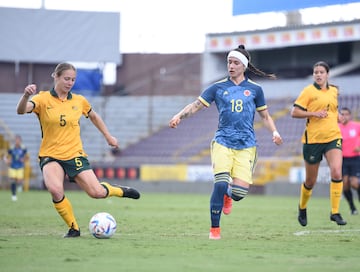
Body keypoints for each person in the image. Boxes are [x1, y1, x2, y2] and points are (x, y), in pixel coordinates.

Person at [169, 45, 283, 240]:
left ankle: (230, 195)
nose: (231, 65)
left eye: (235, 62)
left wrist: (274, 132)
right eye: (229, 62)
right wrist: (179, 115)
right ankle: (215, 229)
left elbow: (264, 115)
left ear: (244, 66)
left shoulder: (255, 89)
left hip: (247, 145)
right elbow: (196, 105)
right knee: (220, 183)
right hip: (223, 141)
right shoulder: (218, 87)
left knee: (239, 193)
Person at [16, 62, 140, 238]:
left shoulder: (79, 100)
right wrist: (25, 96)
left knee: (96, 193)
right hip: (50, 155)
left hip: (74, 154)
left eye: (73, 79)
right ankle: (74, 228)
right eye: (66, 78)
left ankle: (119, 191)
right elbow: (21, 111)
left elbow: (94, 117)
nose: (70, 83)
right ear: (56, 76)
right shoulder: (42, 99)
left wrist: (108, 137)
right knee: (55, 189)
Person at [291, 61, 346, 227]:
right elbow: (294, 112)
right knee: (310, 181)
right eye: (316, 72)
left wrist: (338, 118)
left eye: (321, 72)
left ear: (327, 74)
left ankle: (335, 212)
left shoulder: (334, 91)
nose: (318, 75)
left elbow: (332, 110)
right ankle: (302, 207)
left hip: (333, 137)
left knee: (336, 172)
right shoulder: (308, 91)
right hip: (313, 140)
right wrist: (314, 113)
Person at [338, 107, 360, 215]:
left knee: (355, 183)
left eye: (346, 114)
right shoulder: (337, 128)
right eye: (342, 114)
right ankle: (352, 207)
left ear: (350, 115)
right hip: (342, 159)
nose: (344, 116)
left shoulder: (356, 126)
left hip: (355, 158)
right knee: (345, 184)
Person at [7, 135, 28, 201]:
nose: (17, 142)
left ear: (20, 141)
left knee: (19, 180)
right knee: (13, 180)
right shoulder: (11, 148)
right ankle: (14, 195)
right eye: (16, 140)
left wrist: (23, 159)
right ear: (15, 141)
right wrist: (7, 160)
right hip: (12, 166)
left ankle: (19, 186)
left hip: (20, 166)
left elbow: (27, 157)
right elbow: (6, 156)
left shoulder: (23, 148)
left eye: (18, 140)